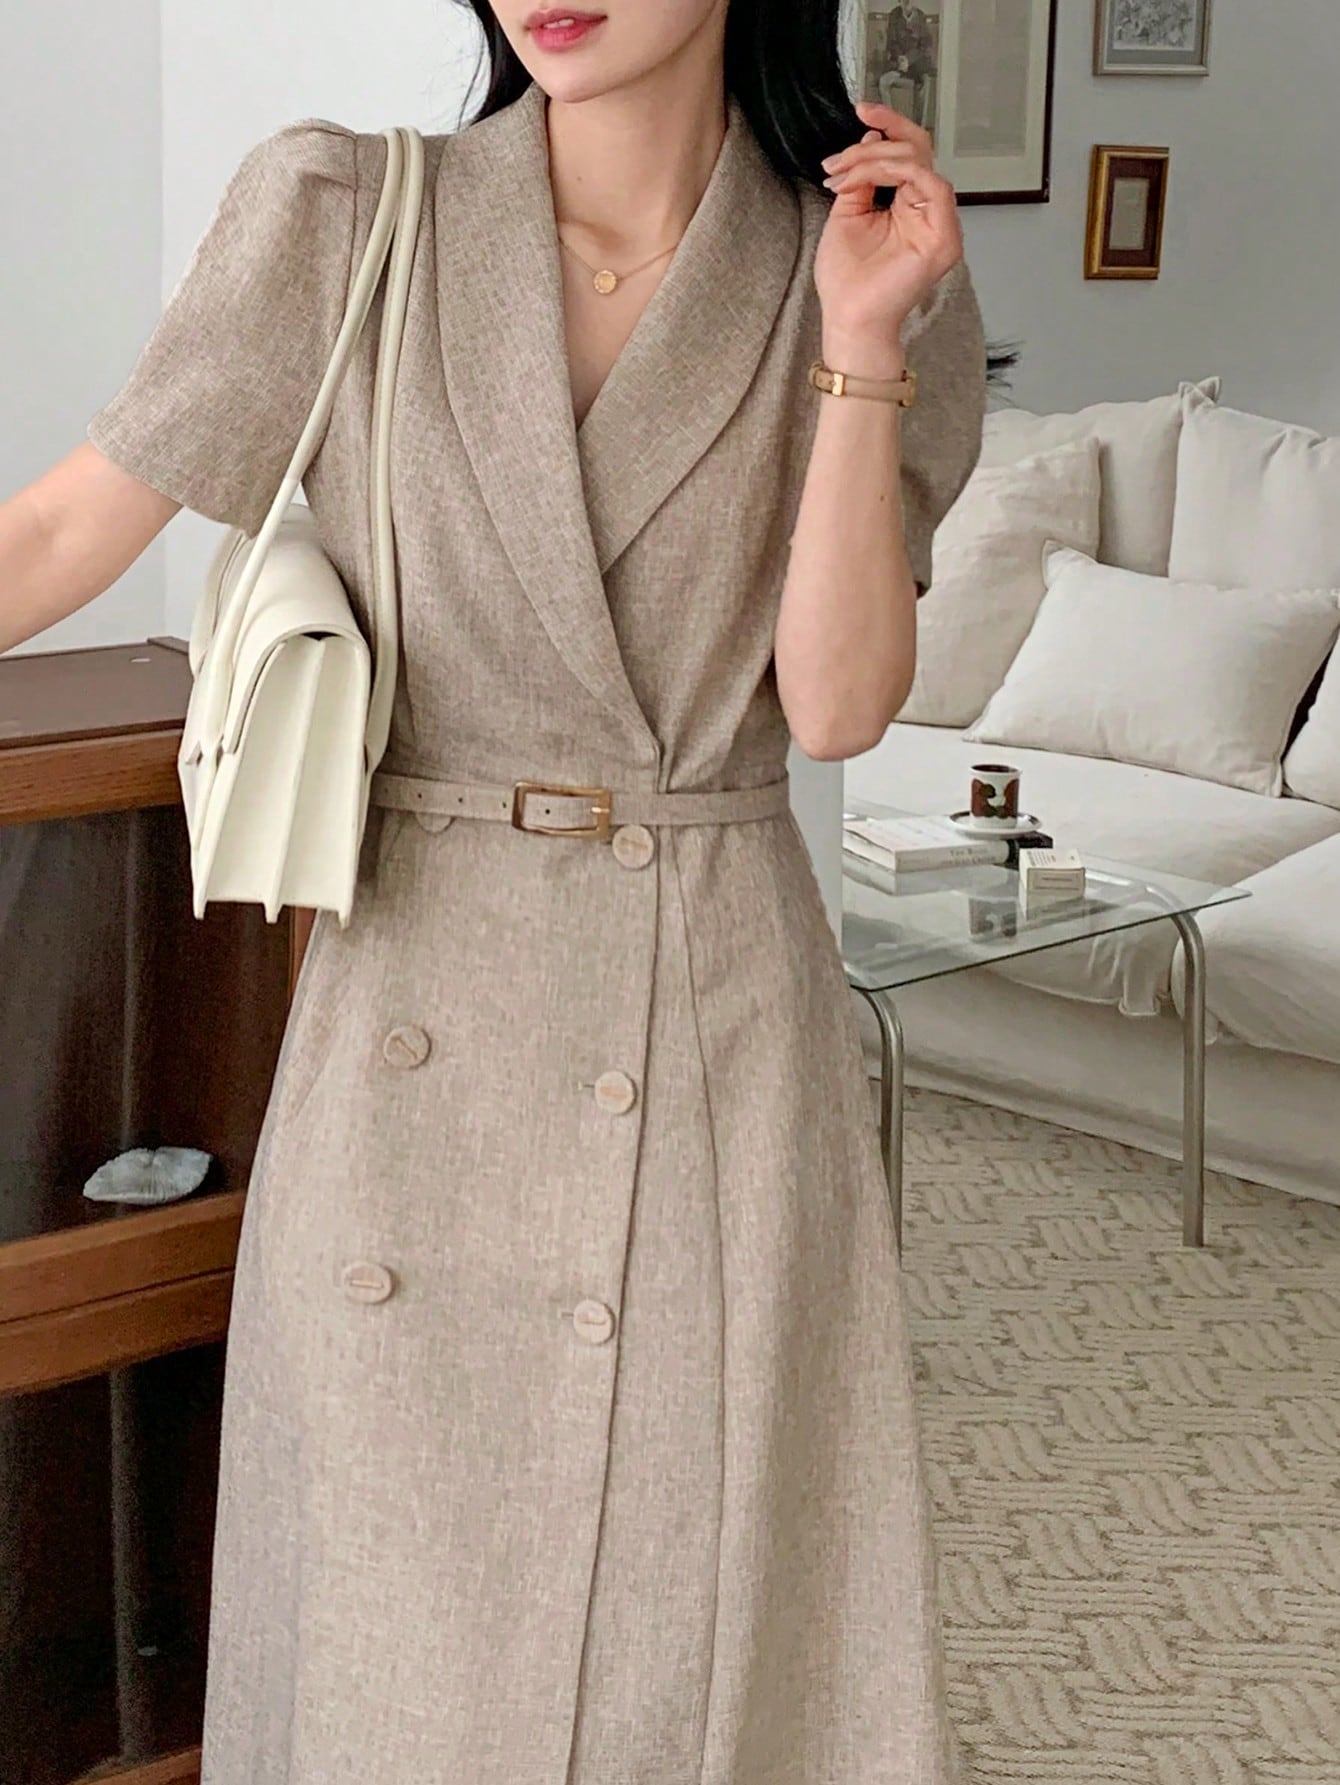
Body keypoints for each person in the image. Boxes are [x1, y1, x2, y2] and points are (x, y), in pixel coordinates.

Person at [0, 0, 986, 1777]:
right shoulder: (346, 215)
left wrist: (857, 341)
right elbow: (71, 525)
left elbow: (836, 706)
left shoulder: (854, 262)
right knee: (390, 1639)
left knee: (684, 1650)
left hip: (708, 1023)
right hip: (417, 1015)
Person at [881, 0, 938, 129]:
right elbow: (891, 42)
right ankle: (891, 124)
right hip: (899, 64)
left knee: (925, 84)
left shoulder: (921, 16)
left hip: (917, 65)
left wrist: (909, 59)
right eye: (903, 0)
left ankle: (918, 127)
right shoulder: (894, 15)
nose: (907, 3)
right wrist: (900, 59)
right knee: (884, 82)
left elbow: (925, 46)